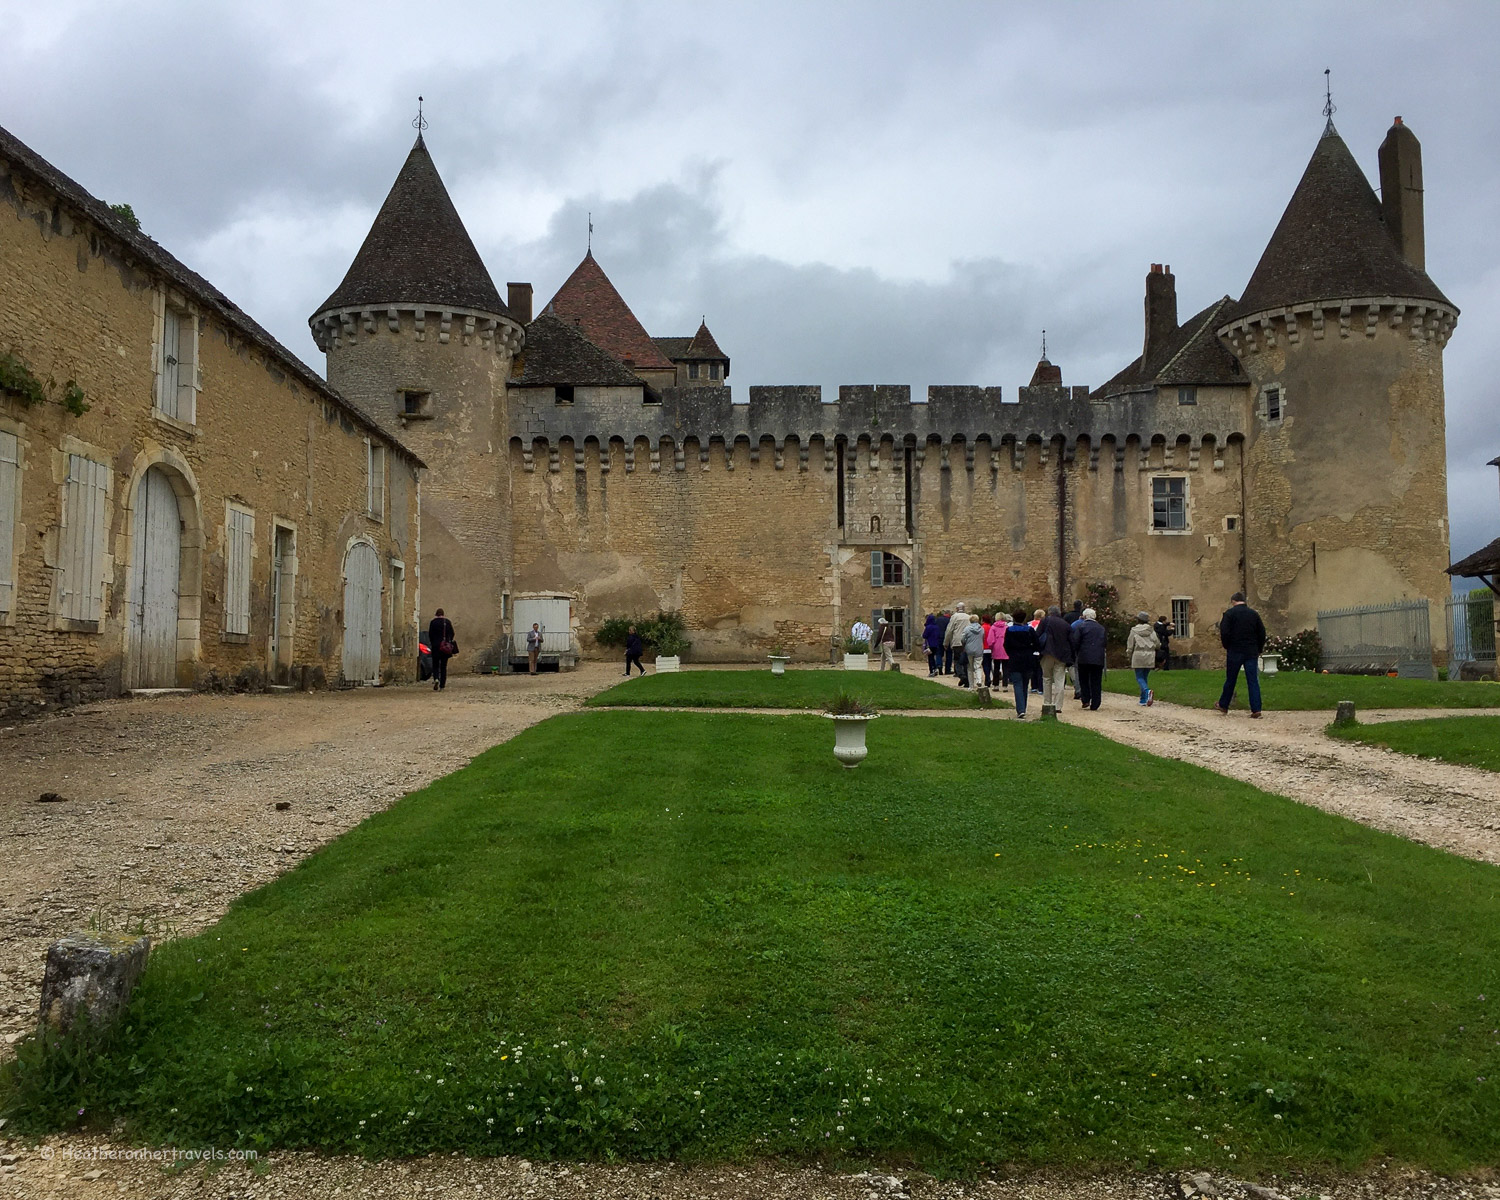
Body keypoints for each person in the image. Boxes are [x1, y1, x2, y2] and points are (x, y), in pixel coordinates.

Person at [1217, 591, 1268, 717]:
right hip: (1251, 651)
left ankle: (1224, 705)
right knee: (1253, 680)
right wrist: (1259, 648)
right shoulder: (1253, 614)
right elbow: (1261, 632)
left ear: (1233, 601)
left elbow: (1224, 632)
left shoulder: (1229, 614)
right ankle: (1256, 709)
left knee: (1231, 679)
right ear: (1244, 601)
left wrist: (1227, 645)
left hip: (1235, 650)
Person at [1037, 605, 1076, 714]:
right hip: (1061, 655)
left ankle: (1047, 703)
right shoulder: (1066, 625)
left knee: (1047, 679)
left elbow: (1037, 636)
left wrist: (1038, 650)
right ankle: (1058, 706)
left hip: (1047, 653)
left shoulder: (1045, 621)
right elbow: (1072, 642)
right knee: (1059, 680)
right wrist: (1072, 657)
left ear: (1049, 612)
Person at [1003, 609, 1041, 718]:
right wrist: (1031, 650)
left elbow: (1006, 645)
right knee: (1025, 684)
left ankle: (1021, 709)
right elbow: (1037, 644)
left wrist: (1010, 654)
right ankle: (1023, 706)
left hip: (1015, 659)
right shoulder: (1029, 630)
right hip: (1028, 659)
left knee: (1017, 684)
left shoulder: (1010, 630)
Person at [1070, 606, 1108, 711]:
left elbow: (1076, 642)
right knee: (1096, 680)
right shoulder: (1101, 628)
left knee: (1084, 679)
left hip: (1084, 657)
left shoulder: (1081, 627)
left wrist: (1076, 653)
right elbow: (1104, 642)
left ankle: (1086, 699)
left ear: (1085, 616)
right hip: (1098, 657)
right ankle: (1096, 702)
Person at [1126, 611, 1159, 705]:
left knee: (1139, 677)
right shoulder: (1151, 631)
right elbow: (1157, 643)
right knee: (1144, 677)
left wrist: (1129, 655)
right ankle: (1143, 699)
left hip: (1138, 654)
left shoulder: (1134, 630)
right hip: (1150, 655)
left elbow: (1130, 645)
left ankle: (1147, 691)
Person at [427, 608, 457, 692]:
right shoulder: (447, 622)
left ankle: (436, 678)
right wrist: (448, 641)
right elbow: (452, 633)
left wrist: (433, 642)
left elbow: (430, 634)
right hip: (445, 647)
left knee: (435, 664)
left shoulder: (433, 622)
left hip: (436, 646)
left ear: (436, 614)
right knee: (443, 666)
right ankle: (442, 685)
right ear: (443, 614)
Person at [943, 604, 970, 680]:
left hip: (957, 641)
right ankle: (965, 674)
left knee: (957, 659)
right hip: (966, 641)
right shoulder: (968, 617)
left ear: (957, 608)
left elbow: (949, 630)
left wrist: (946, 642)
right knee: (965, 660)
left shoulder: (954, 617)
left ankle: (961, 675)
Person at [961, 612, 986, 689]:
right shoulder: (981, 629)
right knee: (978, 666)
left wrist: (964, 644)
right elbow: (983, 638)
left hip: (969, 649)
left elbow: (962, 639)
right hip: (979, 649)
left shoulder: (967, 629)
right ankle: (979, 681)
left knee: (970, 668)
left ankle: (971, 686)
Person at [985, 613, 1009, 691]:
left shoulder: (993, 627)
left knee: (996, 667)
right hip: (1005, 648)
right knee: (1006, 668)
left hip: (996, 648)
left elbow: (990, 640)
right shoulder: (1007, 627)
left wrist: (991, 647)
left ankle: (996, 685)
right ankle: (1005, 685)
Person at [1029, 608, 1046, 695]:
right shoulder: (1044, 625)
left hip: (1031, 649)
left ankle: (1033, 686)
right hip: (1041, 648)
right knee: (1040, 669)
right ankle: (1041, 687)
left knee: (1033, 669)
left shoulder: (1030, 624)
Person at [980, 611, 995, 686]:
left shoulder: (981, 628)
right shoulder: (992, 627)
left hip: (984, 648)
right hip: (991, 648)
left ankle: (987, 678)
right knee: (989, 664)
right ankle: (989, 677)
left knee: (985, 665)